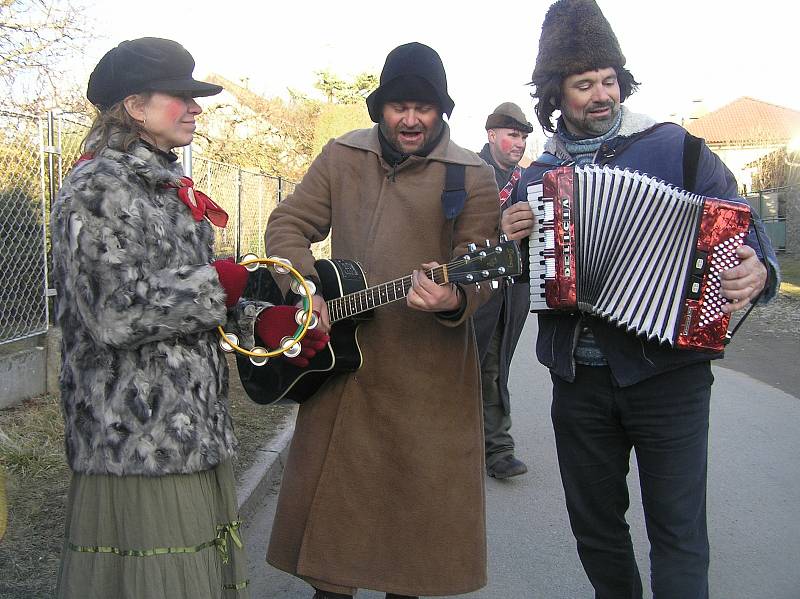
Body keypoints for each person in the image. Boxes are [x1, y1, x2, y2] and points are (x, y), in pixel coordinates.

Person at [507, 2, 782, 598]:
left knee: (679, 533)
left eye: (609, 80)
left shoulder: (675, 149)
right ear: (558, 94)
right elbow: (518, 276)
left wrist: (759, 270)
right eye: (584, 84)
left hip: (671, 376)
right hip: (578, 381)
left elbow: (744, 226)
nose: (601, 94)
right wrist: (514, 238)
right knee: (596, 530)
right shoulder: (536, 177)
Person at [50, 37, 327, 599]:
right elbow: (113, 313)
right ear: (134, 106)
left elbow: (190, 304)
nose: (197, 109)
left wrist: (265, 322)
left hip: (186, 424)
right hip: (133, 436)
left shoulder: (161, 184)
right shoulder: (98, 186)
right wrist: (216, 284)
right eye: (182, 96)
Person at [263, 42, 500, 599]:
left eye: (423, 106)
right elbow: (288, 224)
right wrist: (305, 291)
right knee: (332, 543)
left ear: (442, 110)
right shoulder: (342, 155)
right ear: (380, 108)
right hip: (342, 368)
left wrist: (453, 300)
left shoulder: (471, 175)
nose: (411, 119)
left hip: (429, 379)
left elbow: (484, 272)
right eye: (399, 106)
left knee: (412, 541)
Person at [474, 102, 534, 479]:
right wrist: (498, 229)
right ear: (492, 135)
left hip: (514, 292)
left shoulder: (528, 181)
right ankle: (493, 447)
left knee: (496, 367)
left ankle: (494, 446)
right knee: (472, 365)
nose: (519, 143)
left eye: (524, 136)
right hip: (474, 288)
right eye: (513, 135)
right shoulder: (468, 173)